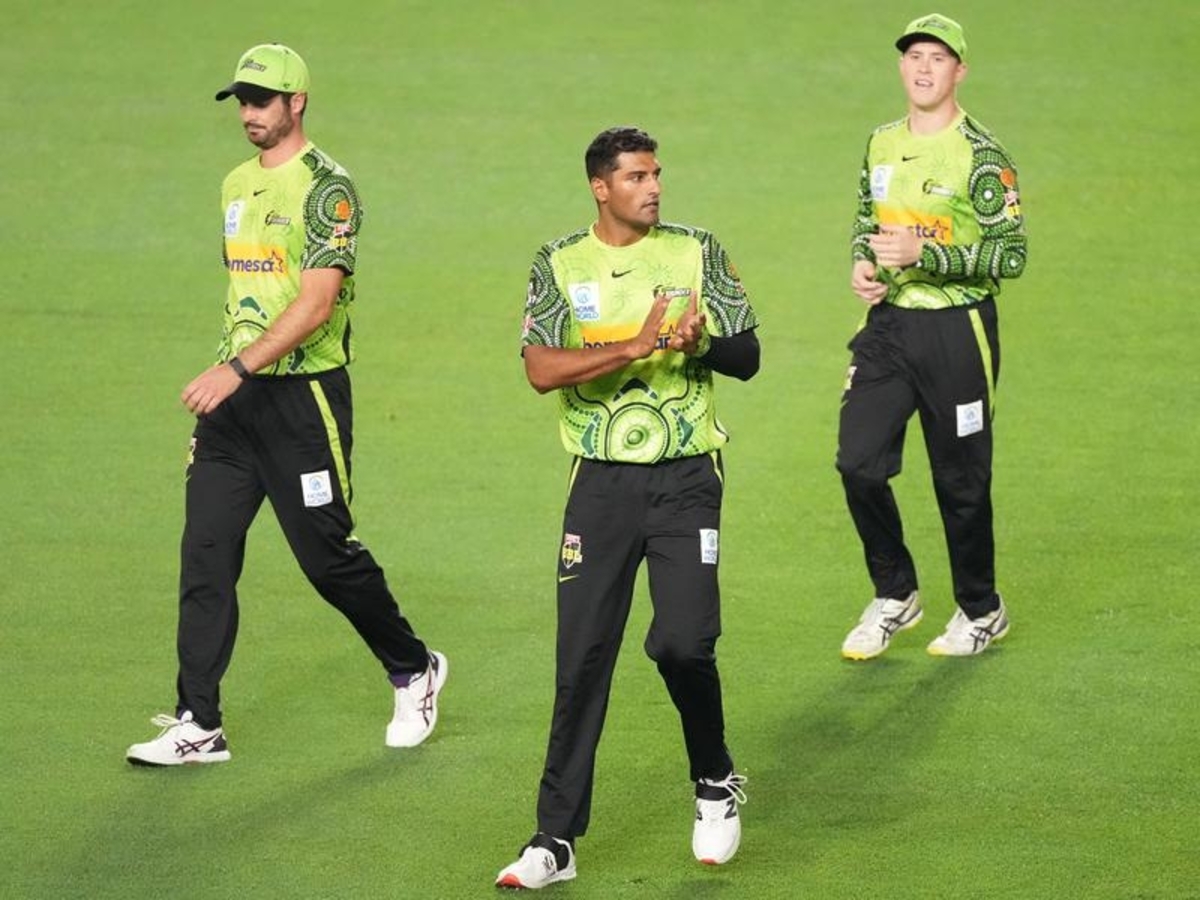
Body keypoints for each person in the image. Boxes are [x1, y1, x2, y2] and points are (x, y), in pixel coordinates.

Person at [126, 43, 446, 766]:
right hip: (233, 406)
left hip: (302, 402)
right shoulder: (236, 183)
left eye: (261, 101)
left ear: (296, 102)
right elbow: (247, 290)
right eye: (241, 100)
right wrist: (233, 374)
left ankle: (414, 667)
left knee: (325, 558)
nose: (248, 113)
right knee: (206, 554)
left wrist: (237, 367)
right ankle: (199, 722)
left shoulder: (328, 190)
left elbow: (317, 303)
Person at [495, 127, 761, 890]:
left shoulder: (697, 251)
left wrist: (700, 344)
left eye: (656, 174)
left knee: (682, 644)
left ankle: (714, 778)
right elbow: (541, 369)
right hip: (600, 487)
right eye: (637, 177)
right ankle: (554, 840)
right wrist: (636, 347)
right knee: (580, 659)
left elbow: (748, 357)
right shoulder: (559, 264)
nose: (654, 188)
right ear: (600, 187)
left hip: (686, 479)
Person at [837, 14, 1027, 661]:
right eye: (914, 56)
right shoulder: (880, 143)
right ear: (901, 66)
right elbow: (867, 220)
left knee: (961, 481)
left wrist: (926, 255)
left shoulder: (982, 154)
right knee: (857, 462)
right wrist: (864, 262)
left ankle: (981, 609)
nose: (923, 68)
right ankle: (896, 593)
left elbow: (1011, 254)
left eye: (938, 58)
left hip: (957, 330)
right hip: (889, 327)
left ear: (959, 71)